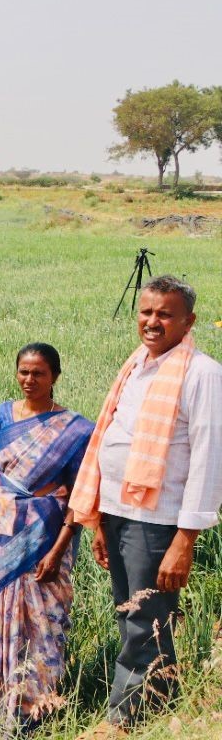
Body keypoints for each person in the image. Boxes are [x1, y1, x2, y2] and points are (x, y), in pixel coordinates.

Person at [69, 276, 222, 729]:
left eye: (165, 314)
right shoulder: (136, 363)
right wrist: (98, 521)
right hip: (118, 513)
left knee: (143, 620)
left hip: (158, 522)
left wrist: (185, 539)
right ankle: (157, 707)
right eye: (146, 311)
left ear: (189, 320)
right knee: (134, 615)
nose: (152, 322)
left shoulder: (201, 373)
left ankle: (121, 723)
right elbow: (114, 442)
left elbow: (208, 457)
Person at [0, 343, 93, 739]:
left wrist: (56, 550)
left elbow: (79, 496)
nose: (29, 380)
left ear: (55, 375)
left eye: (38, 373)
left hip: (44, 538)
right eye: (23, 372)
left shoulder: (76, 429)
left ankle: (33, 710)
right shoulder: (2, 414)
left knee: (42, 620)